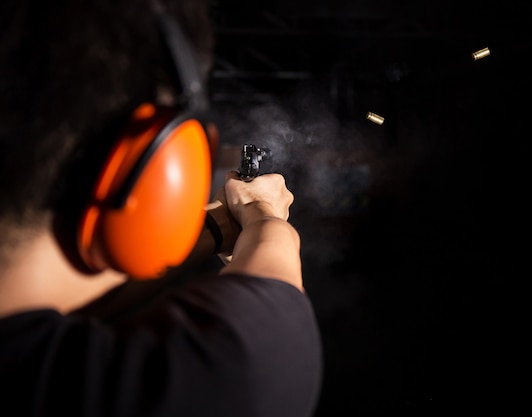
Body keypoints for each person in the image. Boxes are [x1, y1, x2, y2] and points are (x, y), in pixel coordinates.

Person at [0, 1, 322, 416]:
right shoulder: (196, 382)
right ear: (163, 157)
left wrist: (222, 227)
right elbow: (266, 334)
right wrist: (266, 217)